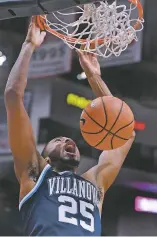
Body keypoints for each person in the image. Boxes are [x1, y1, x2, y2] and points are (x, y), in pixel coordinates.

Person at [4, 17, 135, 236]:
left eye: (68, 140)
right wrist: (29, 46)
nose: (67, 141)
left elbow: (124, 133)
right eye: (58, 141)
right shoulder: (35, 173)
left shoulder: (95, 181)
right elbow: (13, 96)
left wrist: (94, 77)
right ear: (44, 157)